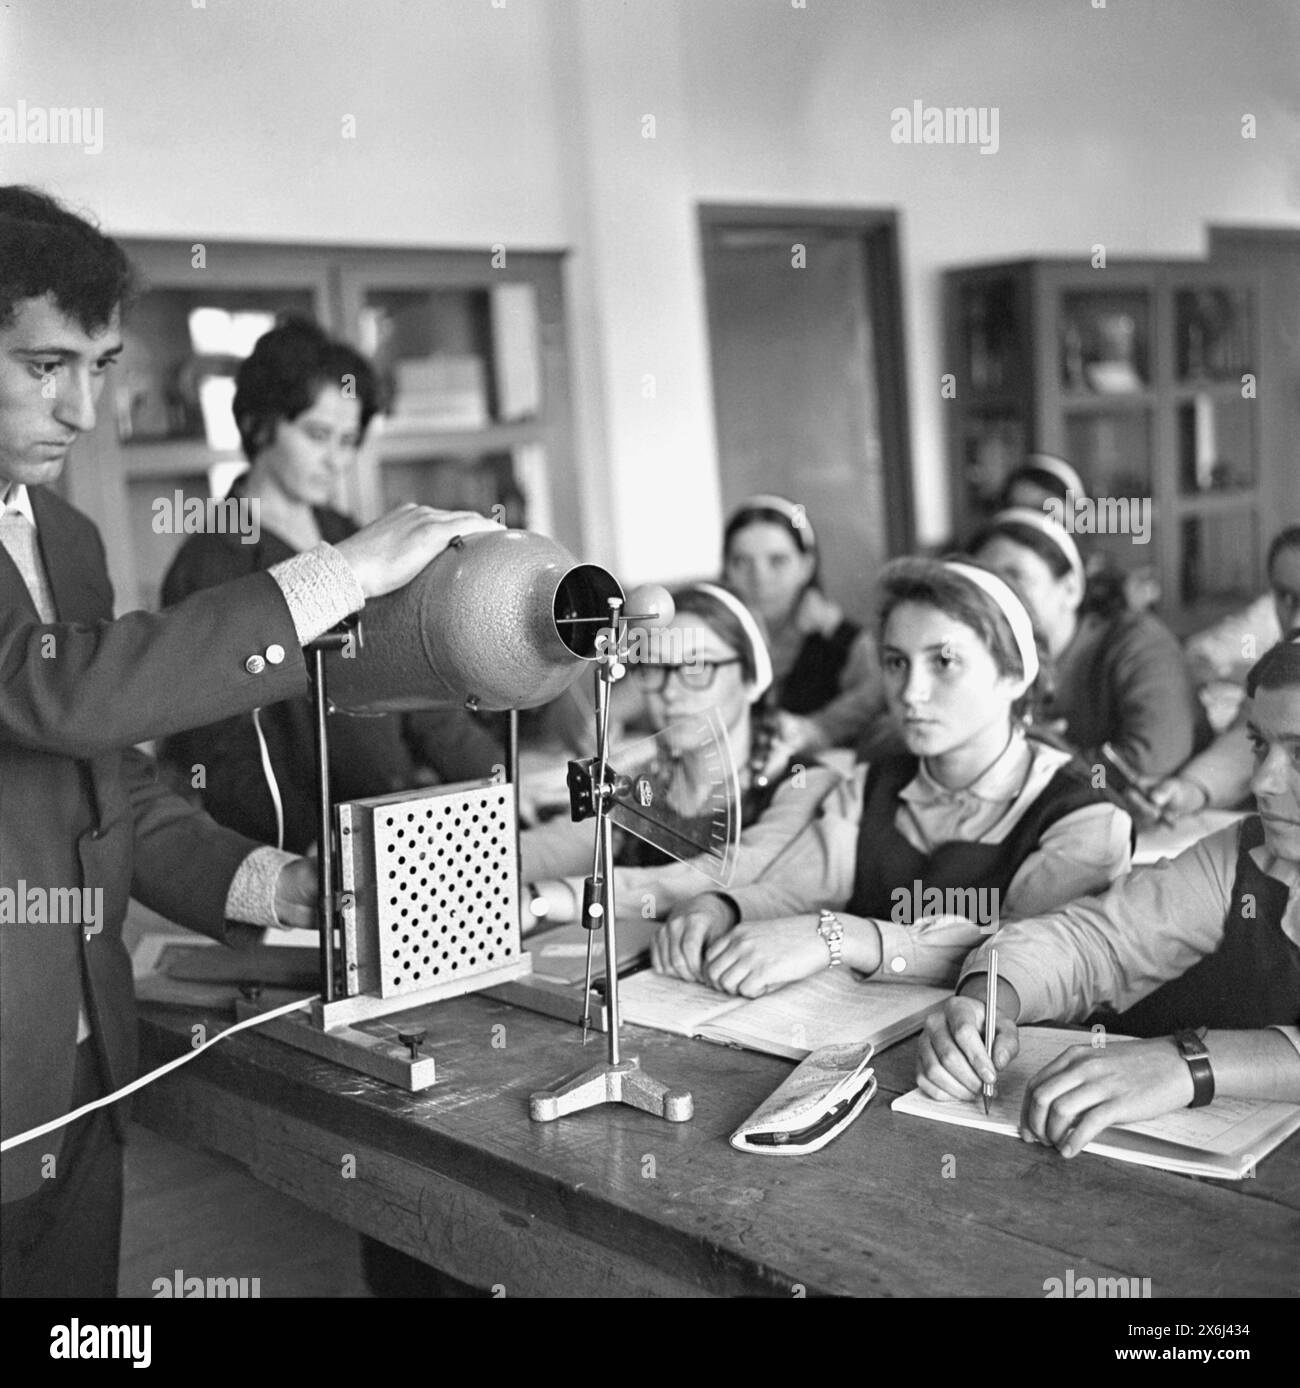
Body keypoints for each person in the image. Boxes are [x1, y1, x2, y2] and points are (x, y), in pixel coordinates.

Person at [0, 185, 499, 1296]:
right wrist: (344, 572)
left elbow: (108, 779)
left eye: (101, 364)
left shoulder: (67, 536)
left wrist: (279, 885)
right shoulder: (225, 556)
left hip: (86, 1064)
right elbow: (62, 695)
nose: (83, 407)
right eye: (45, 366)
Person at [652, 557, 1133, 995]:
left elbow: (1032, 957)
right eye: (897, 663)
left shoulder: (1085, 815)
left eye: (944, 662)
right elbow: (795, 889)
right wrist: (719, 908)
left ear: (1015, 674)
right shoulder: (869, 786)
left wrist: (841, 937)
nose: (911, 693)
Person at [917, 638, 1300, 1158]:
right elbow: (1096, 942)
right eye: (1259, 744)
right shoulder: (1245, 856)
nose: (1262, 780)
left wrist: (1187, 1062)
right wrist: (989, 999)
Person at [161, 319, 503, 852]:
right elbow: (223, 751)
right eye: (318, 436)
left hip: (392, 827)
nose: (337, 460)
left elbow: (417, 681)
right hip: (302, 854)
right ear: (259, 424)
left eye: (349, 441)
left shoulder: (351, 535)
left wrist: (497, 782)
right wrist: (307, 847)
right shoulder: (211, 563)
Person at [522, 582, 848, 922]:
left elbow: (710, 877)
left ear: (754, 679)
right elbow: (554, 847)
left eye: (697, 667)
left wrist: (547, 899)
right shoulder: (641, 786)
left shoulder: (805, 784)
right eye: (655, 669)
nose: (672, 692)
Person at [971, 508, 1201, 777]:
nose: (999, 596)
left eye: (1016, 577)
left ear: (1070, 589)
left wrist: (1042, 760)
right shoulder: (981, 663)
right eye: (985, 583)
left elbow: (1150, 759)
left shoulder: (1136, 642)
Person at [1151, 526, 1300, 817]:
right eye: (1287, 597)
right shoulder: (1277, 670)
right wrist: (1189, 790)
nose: (1296, 618)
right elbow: (1246, 744)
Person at [722, 494, 886, 758]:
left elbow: (878, 699)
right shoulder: (712, 638)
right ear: (726, 571)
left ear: (806, 566)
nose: (759, 578)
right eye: (742, 562)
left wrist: (816, 729)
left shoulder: (846, 643)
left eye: (777, 561)